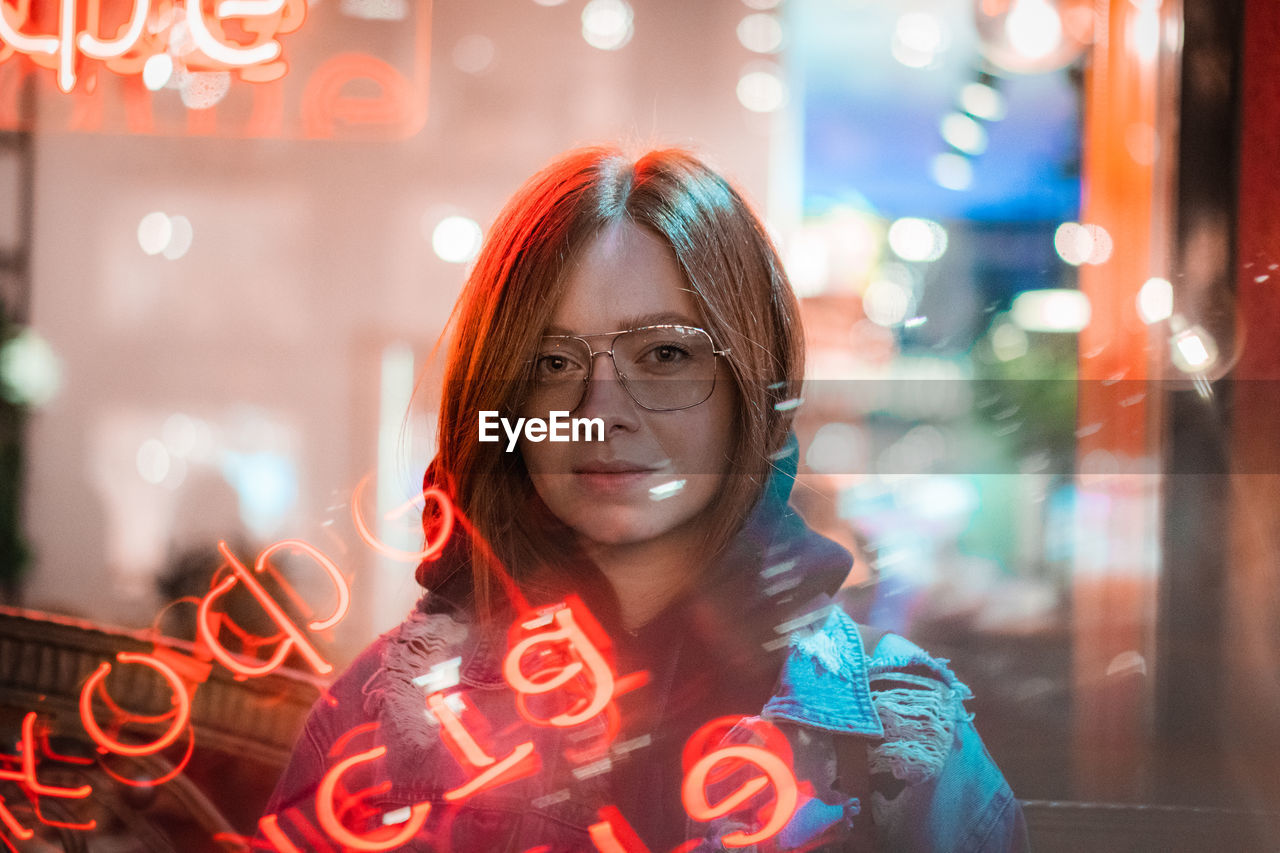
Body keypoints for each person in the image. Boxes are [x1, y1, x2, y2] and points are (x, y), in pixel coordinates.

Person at [261, 147, 1028, 851]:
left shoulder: (896, 738)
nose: (600, 411)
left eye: (665, 353)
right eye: (552, 361)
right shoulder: (384, 718)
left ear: (754, 395)